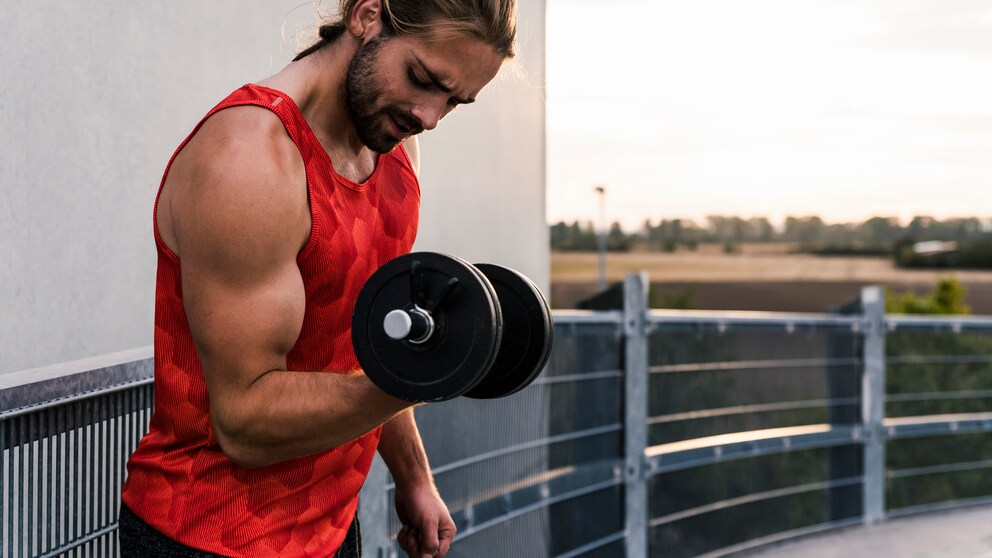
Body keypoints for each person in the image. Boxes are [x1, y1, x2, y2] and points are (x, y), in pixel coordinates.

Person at [119, 0, 516, 556]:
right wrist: (428, 375)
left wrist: (414, 476)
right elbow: (246, 423)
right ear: (366, 15)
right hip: (208, 536)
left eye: (454, 102)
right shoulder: (249, 159)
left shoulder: (395, 149)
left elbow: (377, 347)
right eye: (423, 80)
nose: (429, 116)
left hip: (329, 529)